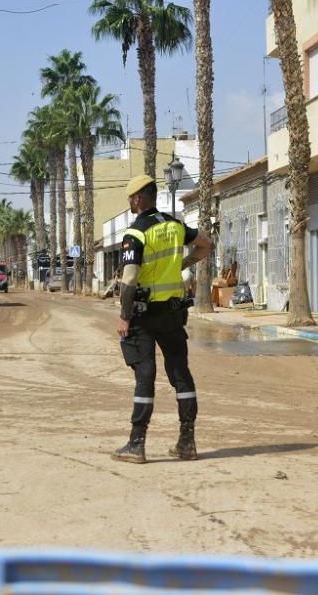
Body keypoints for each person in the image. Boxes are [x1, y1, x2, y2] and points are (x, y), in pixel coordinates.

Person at [113, 174, 211, 464]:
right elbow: (206, 245)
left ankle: (136, 444)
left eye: (131, 198)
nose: (130, 202)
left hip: (143, 316)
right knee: (181, 374)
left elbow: (129, 280)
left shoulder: (136, 234)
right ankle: (187, 442)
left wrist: (123, 315)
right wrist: (182, 263)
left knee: (145, 377)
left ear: (137, 199)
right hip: (172, 313)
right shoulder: (175, 225)